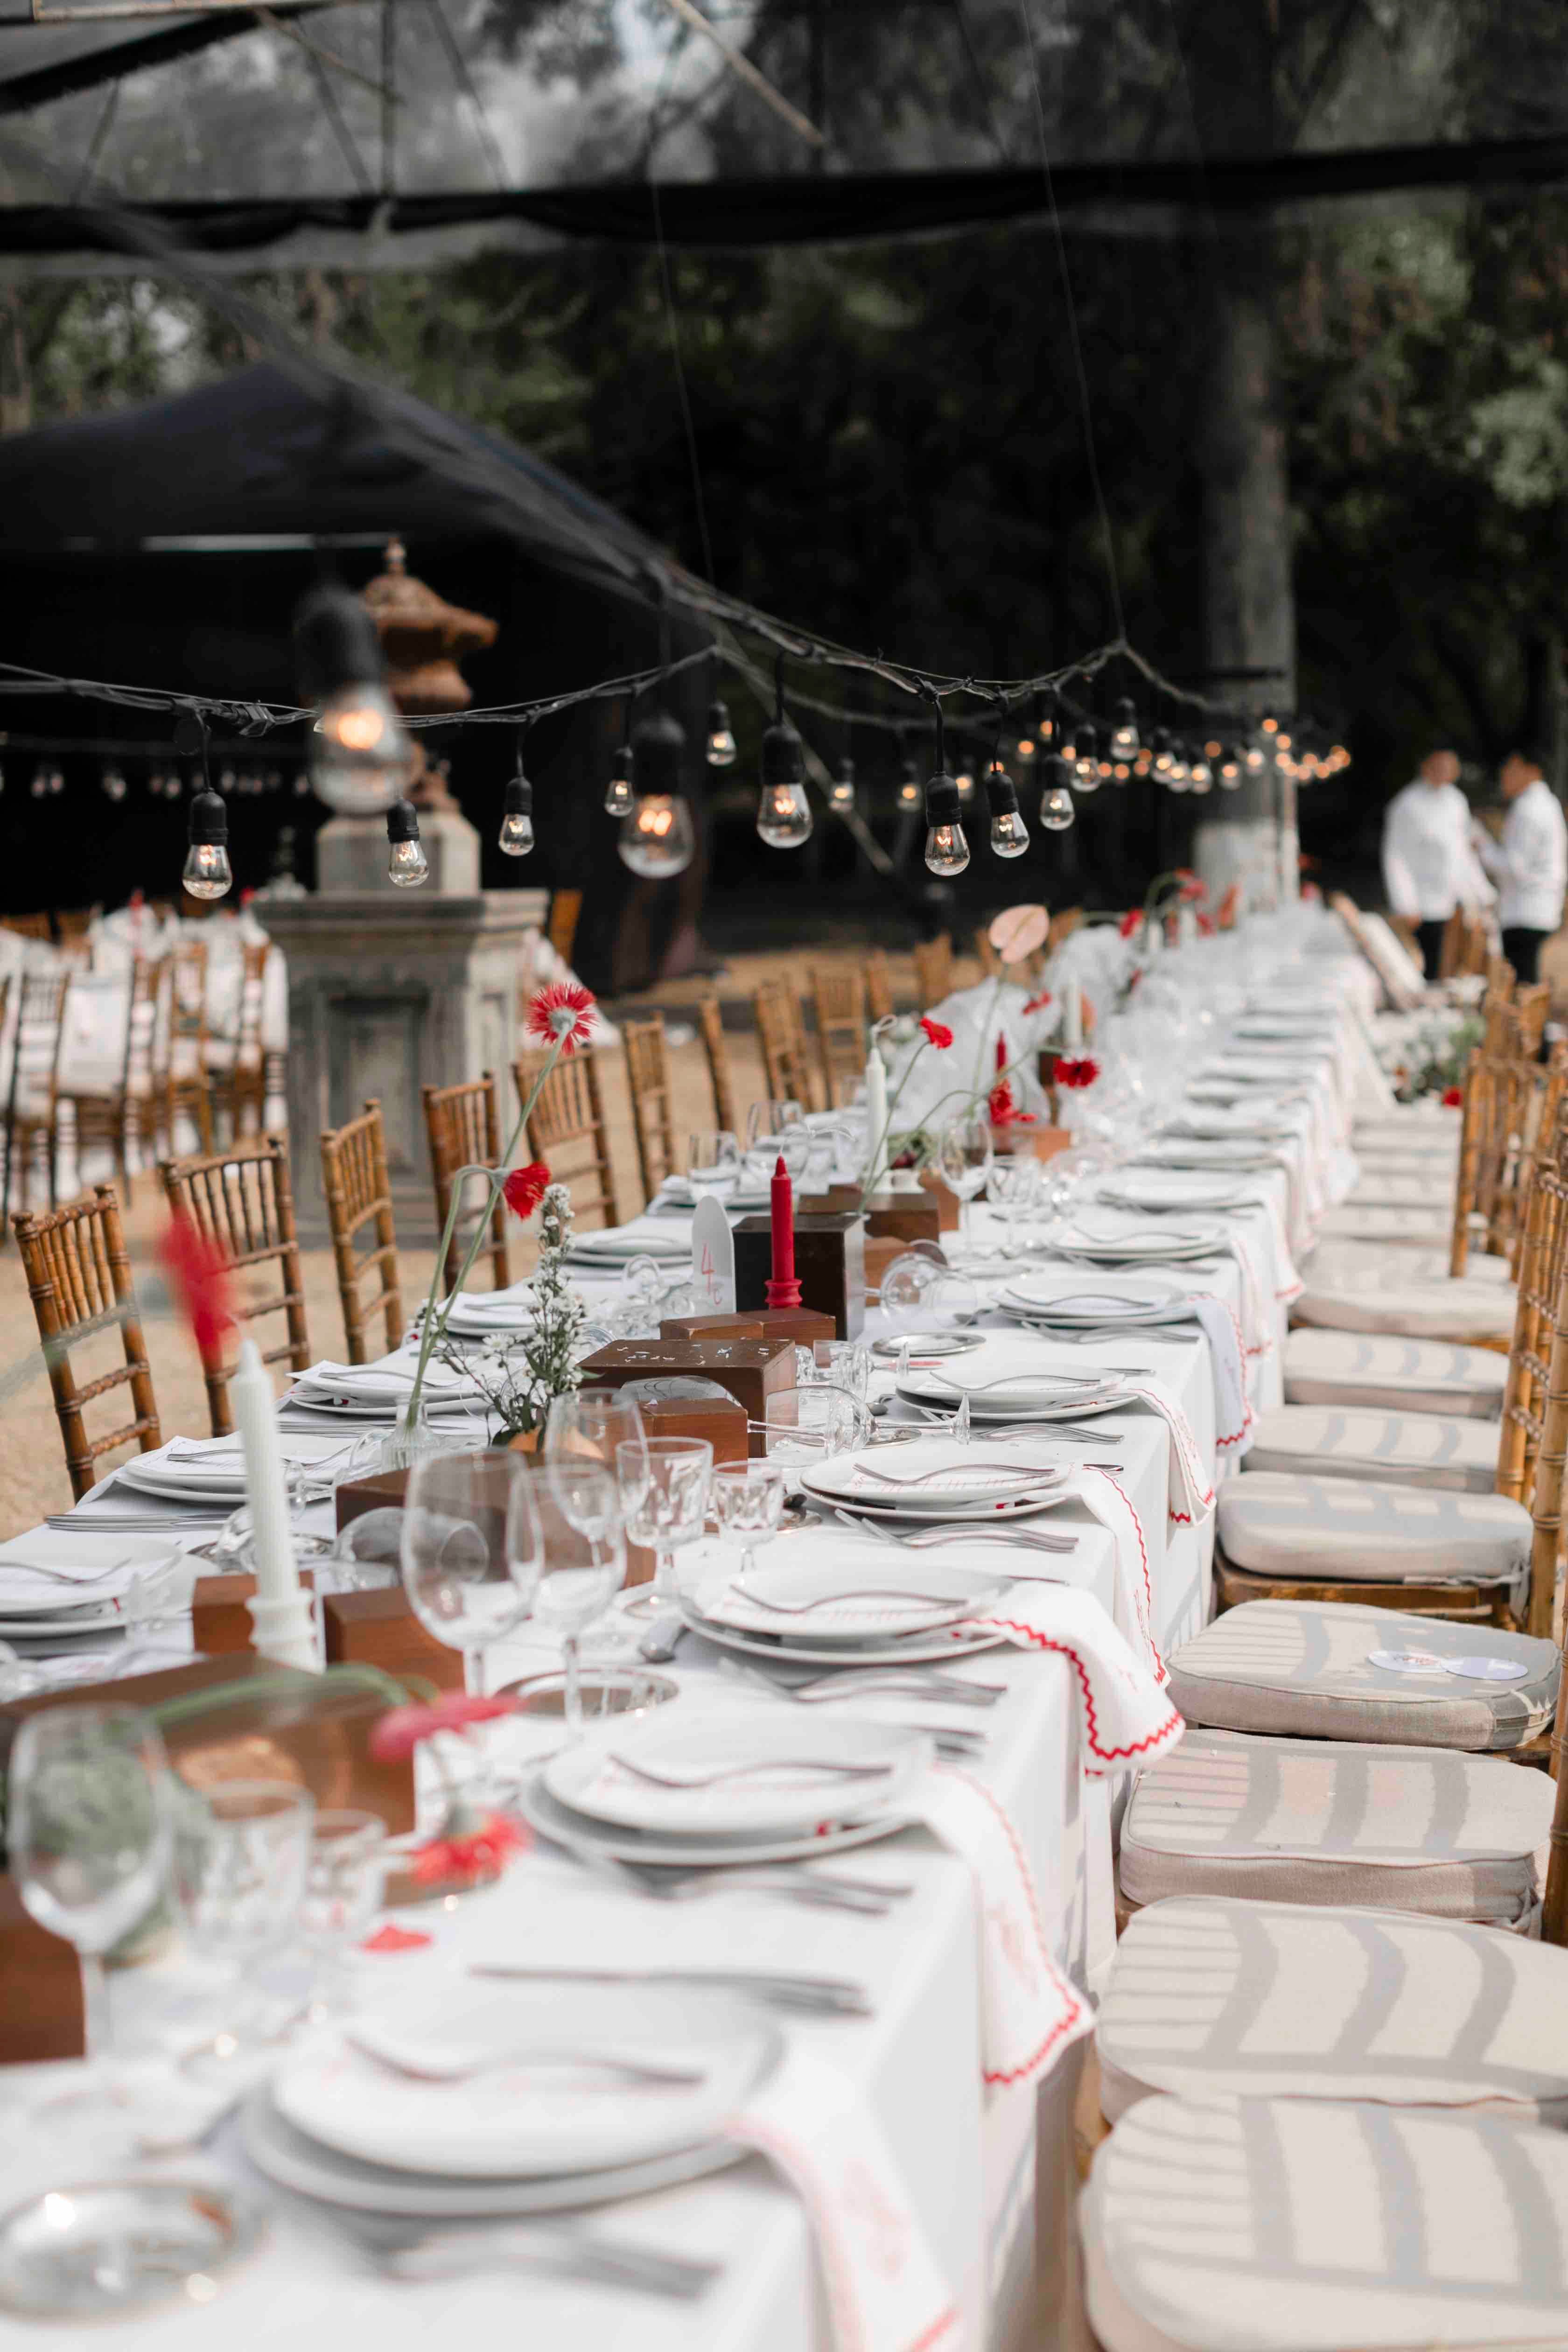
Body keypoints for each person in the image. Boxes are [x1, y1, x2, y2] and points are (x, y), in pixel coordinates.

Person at [1381, 749, 1491, 977]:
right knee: (1423, 966)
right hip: (1421, 903)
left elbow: (1463, 851)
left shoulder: (1457, 801)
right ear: (1426, 767)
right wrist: (1406, 902)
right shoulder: (1407, 805)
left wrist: (1481, 893)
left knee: (1458, 966)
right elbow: (1395, 856)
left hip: (1454, 900)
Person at [1472, 746, 1568, 984]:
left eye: (1511, 769)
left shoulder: (1529, 808)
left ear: (1532, 771)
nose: (1505, 775)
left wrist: (1481, 845)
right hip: (1536, 906)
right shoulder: (1545, 803)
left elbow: (1514, 867)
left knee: (1523, 989)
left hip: (1525, 910)